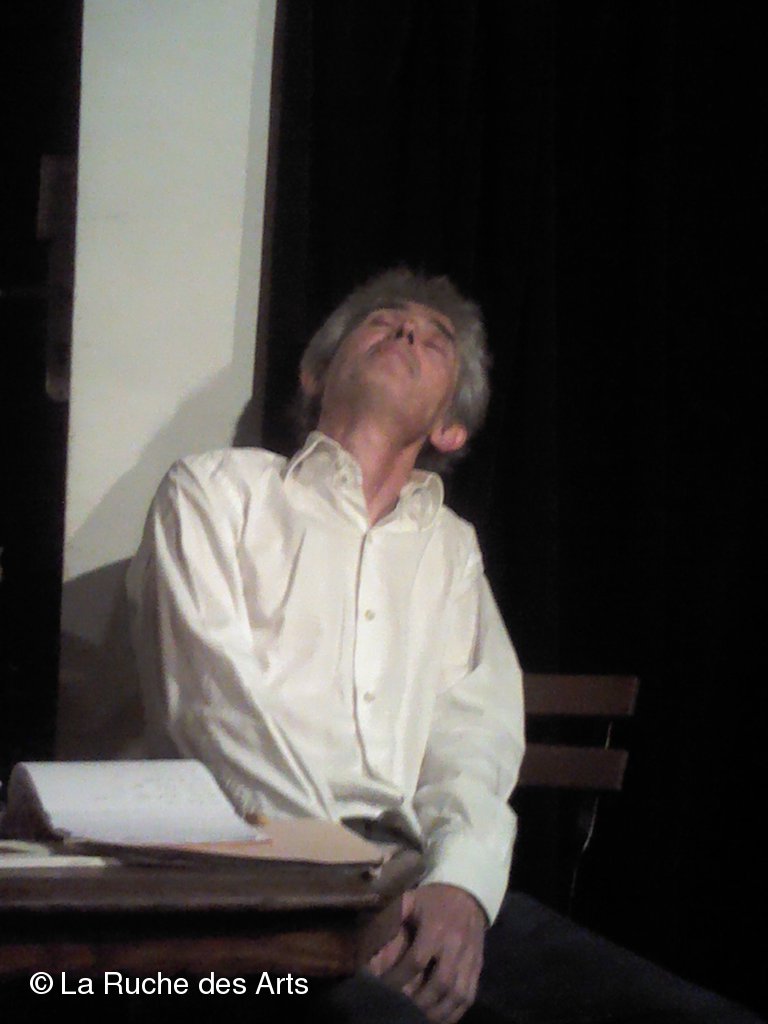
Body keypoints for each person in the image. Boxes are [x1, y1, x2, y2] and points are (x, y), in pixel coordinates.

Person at [127, 269, 764, 1024]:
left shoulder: (451, 550)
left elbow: (474, 734)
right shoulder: (215, 492)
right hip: (258, 884)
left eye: (436, 341)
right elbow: (212, 713)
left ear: (450, 429)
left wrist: (461, 885)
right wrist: (342, 886)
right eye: (383, 321)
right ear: (315, 374)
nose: (407, 332)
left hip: (412, 878)